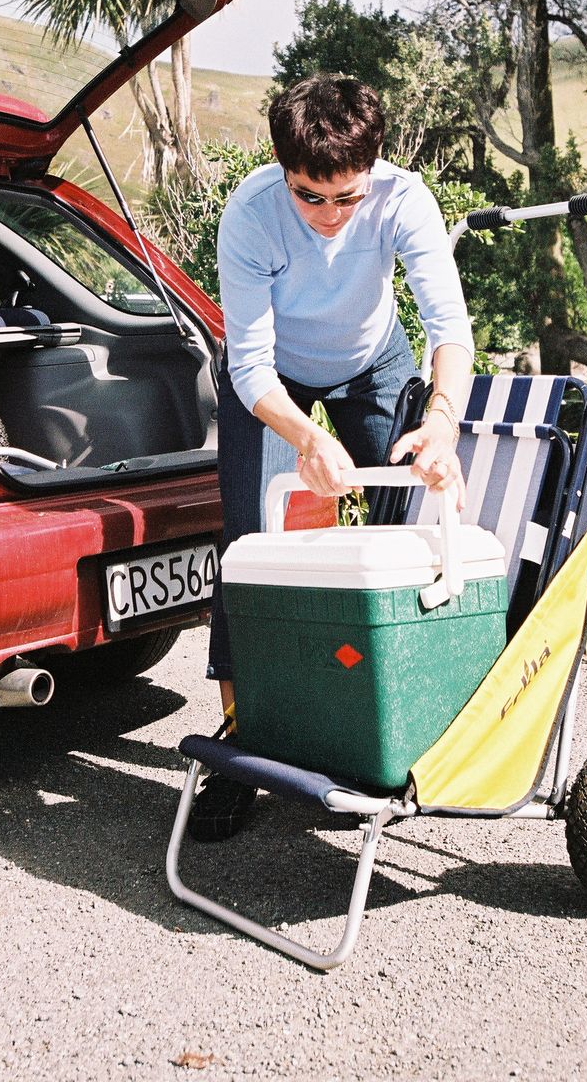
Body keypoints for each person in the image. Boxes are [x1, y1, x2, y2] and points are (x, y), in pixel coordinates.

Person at [190, 73, 474, 840]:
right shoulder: (250, 214)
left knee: (392, 538)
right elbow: (247, 365)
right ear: (283, 172)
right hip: (271, 374)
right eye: (308, 195)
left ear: (372, 173)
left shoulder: (403, 200)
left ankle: (368, 733)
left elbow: (449, 325)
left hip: (371, 358)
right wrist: (305, 437)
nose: (327, 216)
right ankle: (237, 748)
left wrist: (441, 420)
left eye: (345, 198)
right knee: (247, 550)